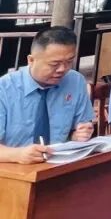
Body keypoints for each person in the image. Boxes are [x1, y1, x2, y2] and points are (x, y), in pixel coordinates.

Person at [0, 26, 94, 164]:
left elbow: (80, 126)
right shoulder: (4, 89)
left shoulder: (75, 81)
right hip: (12, 168)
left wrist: (79, 134)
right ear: (31, 60)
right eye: (54, 64)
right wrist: (18, 155)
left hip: (59, 163)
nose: (62, 69)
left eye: (69, 62)